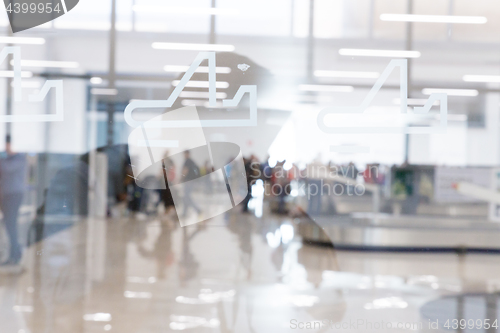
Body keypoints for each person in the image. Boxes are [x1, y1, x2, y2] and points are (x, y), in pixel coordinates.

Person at [0, 135, 27, 272]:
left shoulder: (19, 158)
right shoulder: (7, 159)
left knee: (11, 225)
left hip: (13, 196)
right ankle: (14, 253)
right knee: (8, 224)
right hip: (5, 196)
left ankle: (15, 254)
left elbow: (6, 169)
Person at [181, 151, 201, 217]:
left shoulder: (187, 161)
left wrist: (181, 178)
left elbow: (185, 171)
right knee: (186, 197)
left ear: (187, 154)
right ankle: (185, 212)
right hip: (191, 182)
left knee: (187, 197)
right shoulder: (192, 161)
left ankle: (197, 209)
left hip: (188, 182)